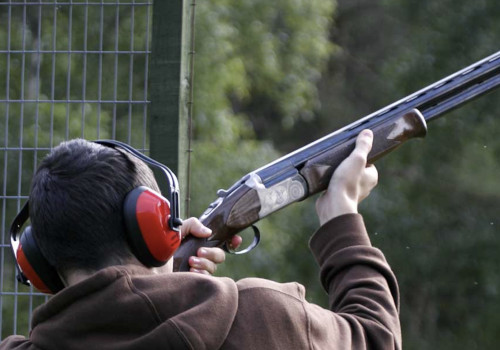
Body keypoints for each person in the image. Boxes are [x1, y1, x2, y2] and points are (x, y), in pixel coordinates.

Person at [0, 129, 401, 349]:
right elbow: (378, 339)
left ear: (41, 266)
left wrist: (164, 280)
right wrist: (342, 216)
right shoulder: (265, 319)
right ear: (155, 231)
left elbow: (110, 316)